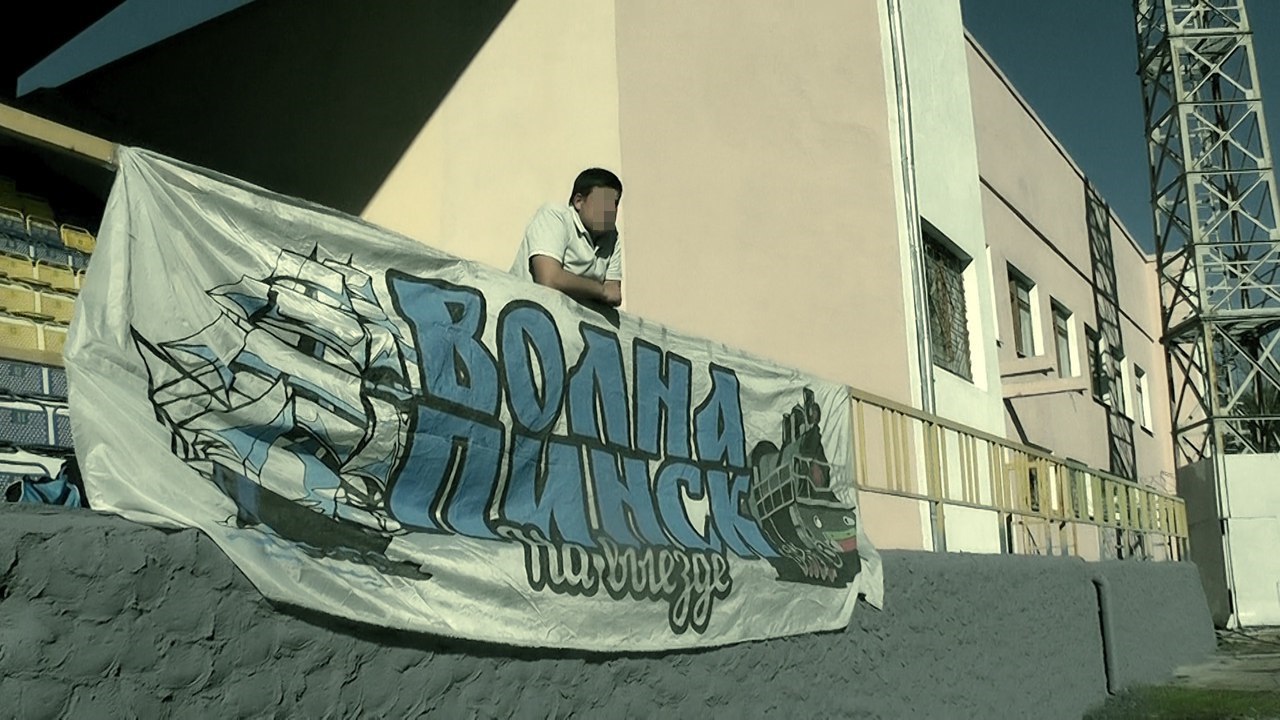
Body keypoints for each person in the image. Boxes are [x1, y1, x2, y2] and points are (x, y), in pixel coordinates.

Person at [510, 168, 623, 307]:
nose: (610, 210)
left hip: (568, 317)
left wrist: (601, 291)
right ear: (578, 201)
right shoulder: (555, 216)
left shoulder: (612, 235)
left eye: (615, 203)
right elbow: (549, 280)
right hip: (521, 310)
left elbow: (614, 294)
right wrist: (601, 290)